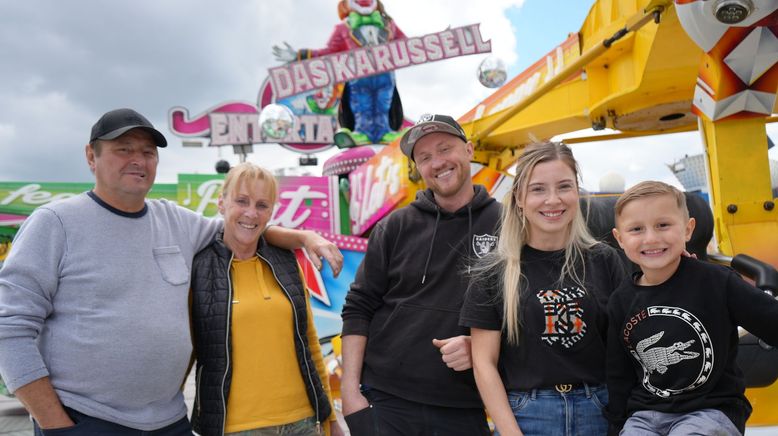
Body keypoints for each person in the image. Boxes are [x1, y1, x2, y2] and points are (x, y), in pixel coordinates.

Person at [0, 108, 342, 435]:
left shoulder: (178, 222)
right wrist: (55, 424)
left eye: (148, 152)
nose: (138, 159)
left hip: (168, 422)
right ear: (91, 156)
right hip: (87, 420)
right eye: (124, 149)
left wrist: (304, 237)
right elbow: (9, 327)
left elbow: (244, 228)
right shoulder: (55, 224)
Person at [339, 114, 500, 435]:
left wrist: (480, 347)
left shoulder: (507, 223)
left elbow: (522, 311)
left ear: (469, 150)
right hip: (385, 401)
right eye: (425, 157)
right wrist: (349, 394)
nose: (437, 162)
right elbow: (359, 306)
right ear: (417, 168)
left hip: (465, 404)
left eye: (445, 149)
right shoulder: (395, 226)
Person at [460, 141, 626, 436]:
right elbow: (484, 364)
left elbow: (627, 342)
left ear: (577, 192)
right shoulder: (493, 270)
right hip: (527, 415)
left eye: (564, 186)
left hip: (599, 410)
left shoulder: (605, 260)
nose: (553, 200)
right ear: (520, 198)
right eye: (538, 189)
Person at [606, 181, 778, 435]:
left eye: (663, 225)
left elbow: (772, 321)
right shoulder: (620, 301)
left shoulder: (717, 282)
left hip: (711, 409)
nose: (651, 238)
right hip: (645, 414)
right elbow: (618, 375)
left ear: (688, 230)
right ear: (620, 239)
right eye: (636, 229)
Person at [190, 162, 343, 436]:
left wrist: (328, 415)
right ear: (221, 204)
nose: (251, 213)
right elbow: (184, 352)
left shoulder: (285, 260)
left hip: (304, 422)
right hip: (237, 428)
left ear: (271, 212)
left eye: (262, 205)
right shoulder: (198, 268)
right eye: (241, 201)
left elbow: (308, 340)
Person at [273, 0, 406, 146]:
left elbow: (406, 45)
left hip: (385, 76)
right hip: (358, 78)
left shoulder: (388, 24)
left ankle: (385, 132)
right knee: (362, 105)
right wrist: (300, 55)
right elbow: (328, 52)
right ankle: (361, 133)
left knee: (384, 103)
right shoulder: (343, 28)